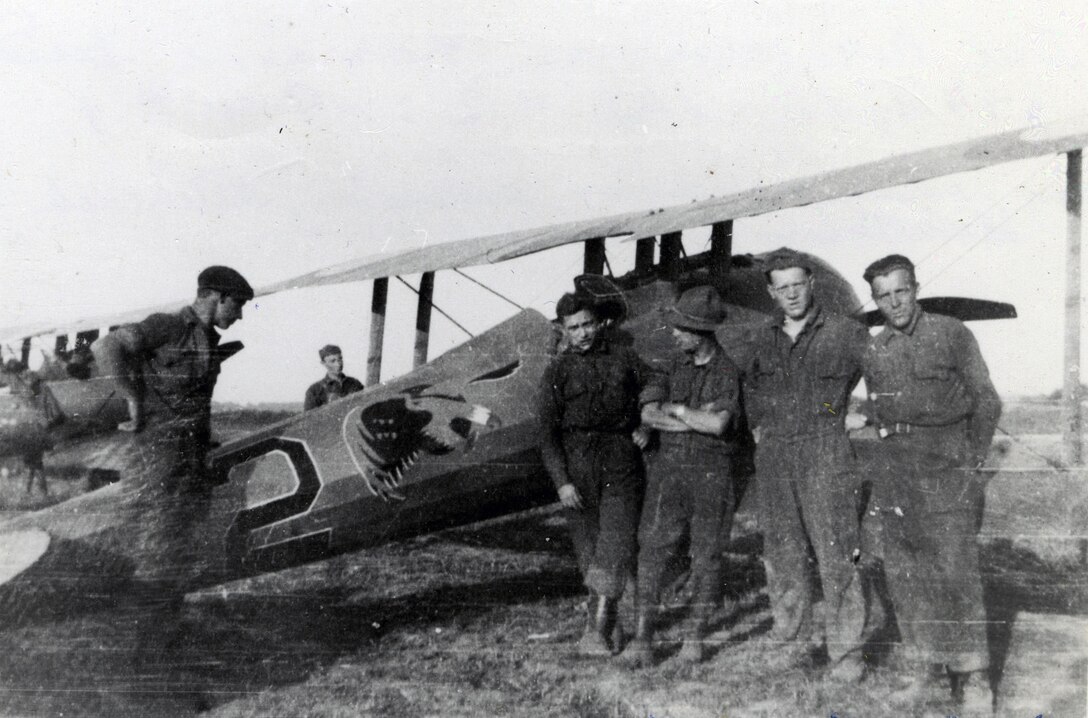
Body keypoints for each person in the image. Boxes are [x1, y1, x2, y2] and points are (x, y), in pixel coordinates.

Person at [861, 254, 1000, 713]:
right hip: (897, 473)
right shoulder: (875, 348)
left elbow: (986, 401)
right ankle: (923, 668)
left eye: (901, 291)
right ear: (875, 300)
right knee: (906, 574)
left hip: (947, 470)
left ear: (916, 287)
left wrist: (972, 461)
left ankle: (973, 676)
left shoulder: (951, 332)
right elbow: (879, 414)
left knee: (955, 573)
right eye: (883, 295)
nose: (894, 302)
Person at [92, 265, 253, 656]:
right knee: (156, 552)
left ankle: (164, 640)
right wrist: (131, 396)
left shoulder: (207, 340)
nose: (240, 314)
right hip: (159, 460)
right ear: (216, 296)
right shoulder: (167, 326)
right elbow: (106, 347)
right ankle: (141, 652)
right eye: (238, 304)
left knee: (178, 552)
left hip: (189, 460)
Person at [739, 249, 869, 680]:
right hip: (776, 456)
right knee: (782, 553)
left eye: (798, 284)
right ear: (771, 292)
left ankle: (847, 653)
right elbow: (749, 393)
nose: (791, 294)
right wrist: (761, 430)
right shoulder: (761, 337)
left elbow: (872, 377)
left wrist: (843, 417)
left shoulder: (846, 333)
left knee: (836, 554)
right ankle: (791, 643)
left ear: (811, 283)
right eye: (782, 287)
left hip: (825, 452)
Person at [626, 286, 739, 667]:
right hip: (669, 471)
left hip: (712, 475)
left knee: (707, 555)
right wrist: (691, 418)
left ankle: (694, 637)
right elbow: (648, 415)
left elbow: (719, 425)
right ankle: (642, 640)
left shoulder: (727, 372)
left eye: (680, 327)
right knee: (652, 551)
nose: (673, 333)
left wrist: (675, 410)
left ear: (700, 331)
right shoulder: (671, 366)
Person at [539, 290, 650, 657]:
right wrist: (562, 482)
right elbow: (547, 434)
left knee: (615, 544)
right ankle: (610, 629)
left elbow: (654, 382)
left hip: (620, 460)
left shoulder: (623, 358)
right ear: (563, 330)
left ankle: (594, 633)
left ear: (599, 323)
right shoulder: (557, 371)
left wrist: (647, 423)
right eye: (574, 327)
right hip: (579, 465)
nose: (583, 333)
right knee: (588, 551)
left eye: (588, 324)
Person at [304, 344, 365, 410]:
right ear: (323, 363)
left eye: (340, 359)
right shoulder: (315, 390)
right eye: (333, 361)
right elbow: (309, 417)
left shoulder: (355, 384)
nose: (338, 364)